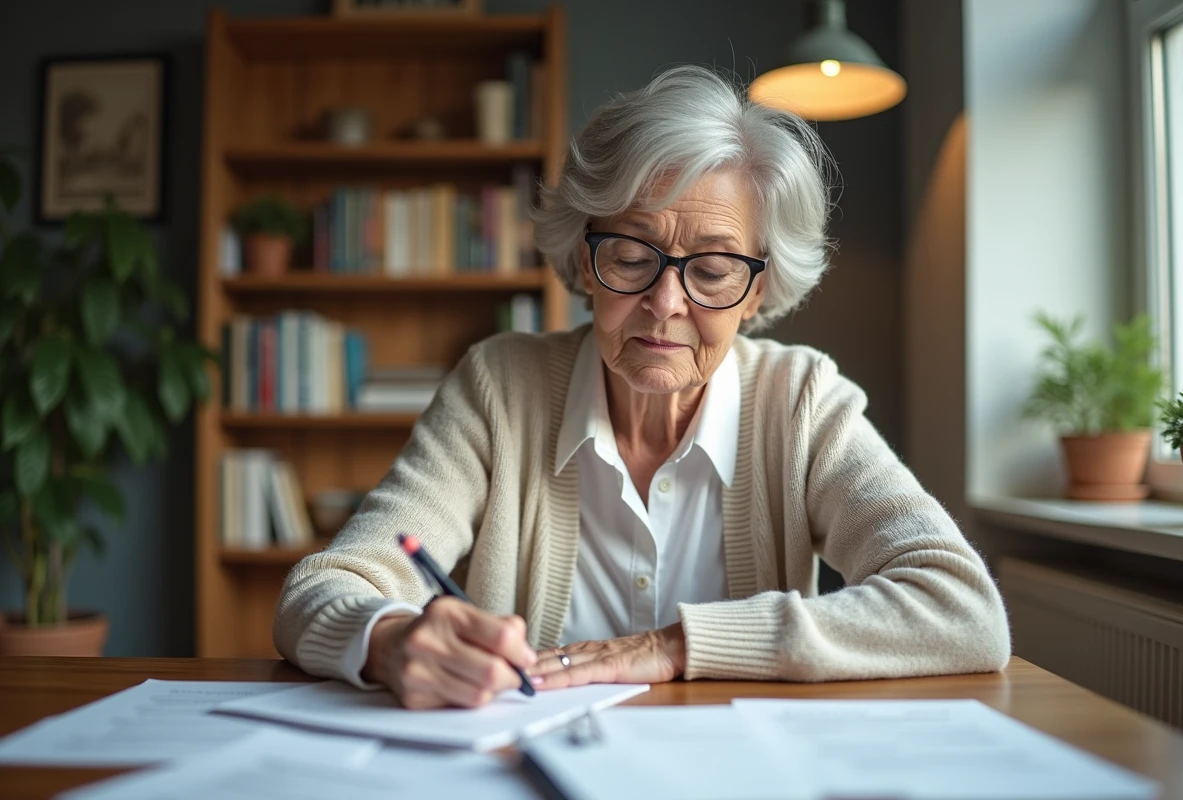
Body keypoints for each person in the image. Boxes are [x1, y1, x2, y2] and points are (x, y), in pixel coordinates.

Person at [273, 65, 1011, 710]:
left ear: (759, 293)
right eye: (630, 255)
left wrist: (683, 645)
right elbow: (323, 589)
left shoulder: (801, 400)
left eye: (715, 271)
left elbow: (962, 609)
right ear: (585, 261)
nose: (667, 303)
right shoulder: (499, 387)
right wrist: (392, 638)